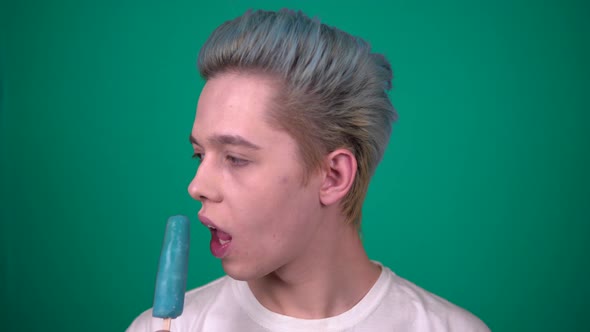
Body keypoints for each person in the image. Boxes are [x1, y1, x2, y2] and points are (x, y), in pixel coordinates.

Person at [128, 9, 490, 332]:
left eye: (235, 158)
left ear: (333, 176)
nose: (197, 186)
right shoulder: (166, 327)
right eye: (198, 154)